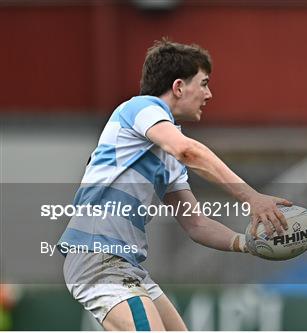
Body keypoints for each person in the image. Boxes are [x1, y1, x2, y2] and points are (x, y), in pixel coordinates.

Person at [57, 39, 291, 331]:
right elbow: (189, 151)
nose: (209, 94)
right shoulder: (141, 108)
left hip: (126, 266)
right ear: (179, 87)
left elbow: (197, 225)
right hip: (98, 260)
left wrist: (246, 243)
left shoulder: (167, 154)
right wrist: (251, 197)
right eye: (204, 83)